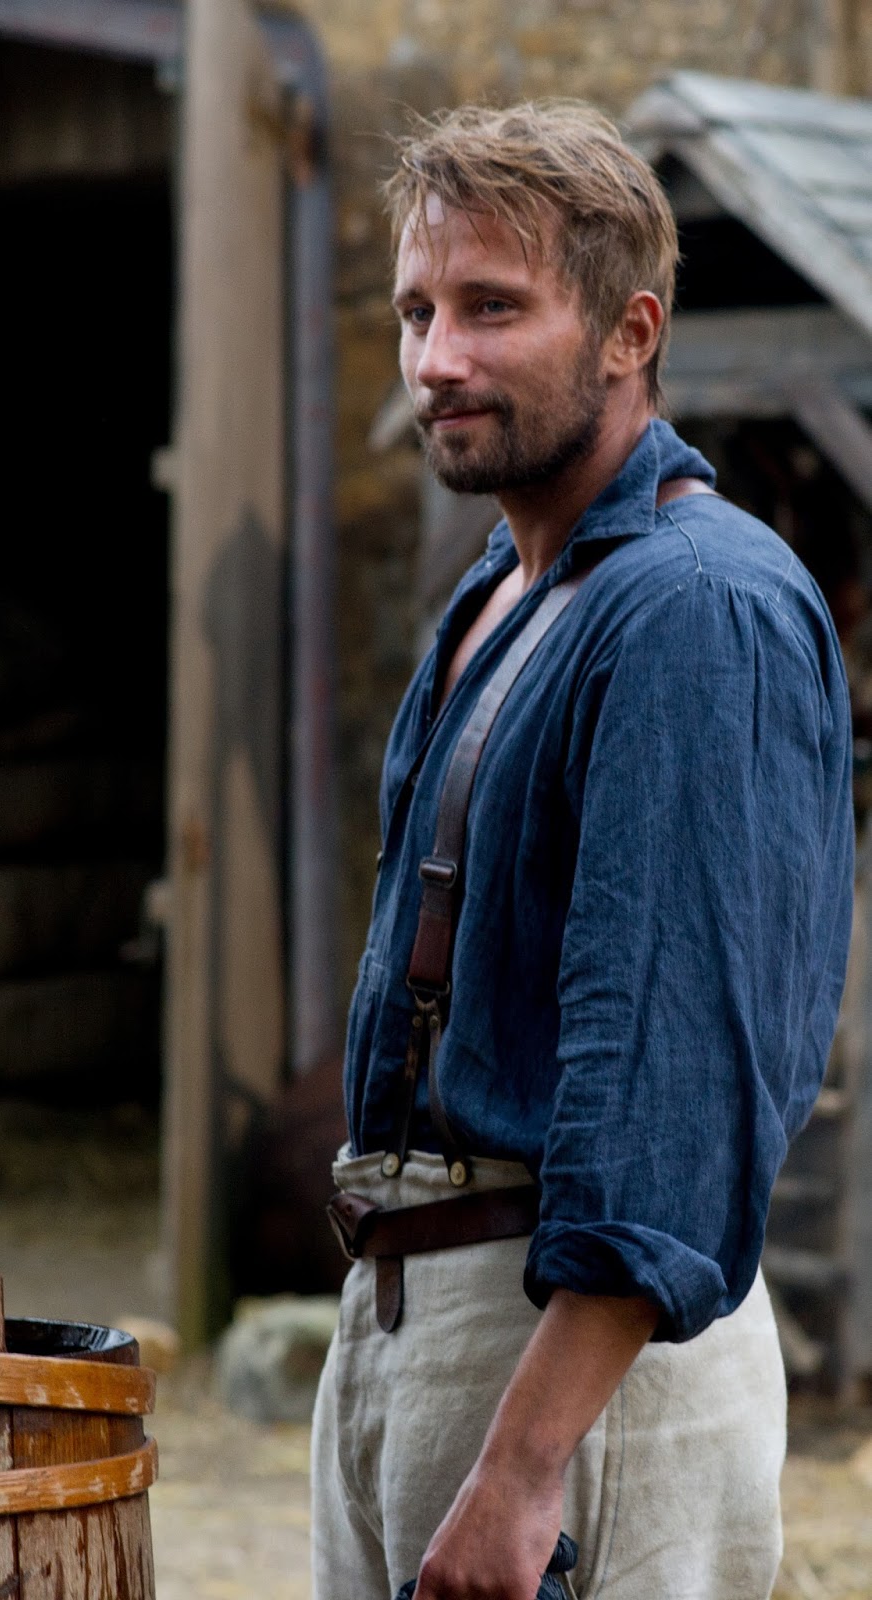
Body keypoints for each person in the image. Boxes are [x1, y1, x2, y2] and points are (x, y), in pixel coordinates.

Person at [310, 102, 854, 1600]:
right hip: (413, 1321)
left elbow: (674, 1077)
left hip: (576, 1371)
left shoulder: (695, 607)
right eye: (417, 312)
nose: (436, 359)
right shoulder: (507, 584)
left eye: (492, 308)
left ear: (630, 332)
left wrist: (522, 1464)